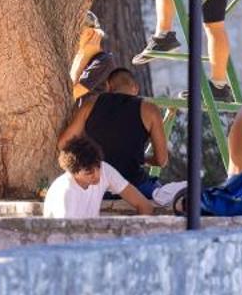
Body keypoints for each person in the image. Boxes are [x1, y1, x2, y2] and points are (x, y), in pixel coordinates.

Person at [59, 66, 170, 199]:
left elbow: (63, 143)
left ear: (108, 86)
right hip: (134, 185)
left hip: (97, 184)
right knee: (163, 195)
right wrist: (142, 159)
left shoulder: (90, 104)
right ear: (135, 87)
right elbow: (162, 160)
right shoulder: (150, 110)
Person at [44, 136, 155, 217]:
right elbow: (66, 243)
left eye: (98, 167)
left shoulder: (104, 169)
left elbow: (145, 206)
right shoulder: (65, 193)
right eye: (89, 172)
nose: (97, 175)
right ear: (73, 172)